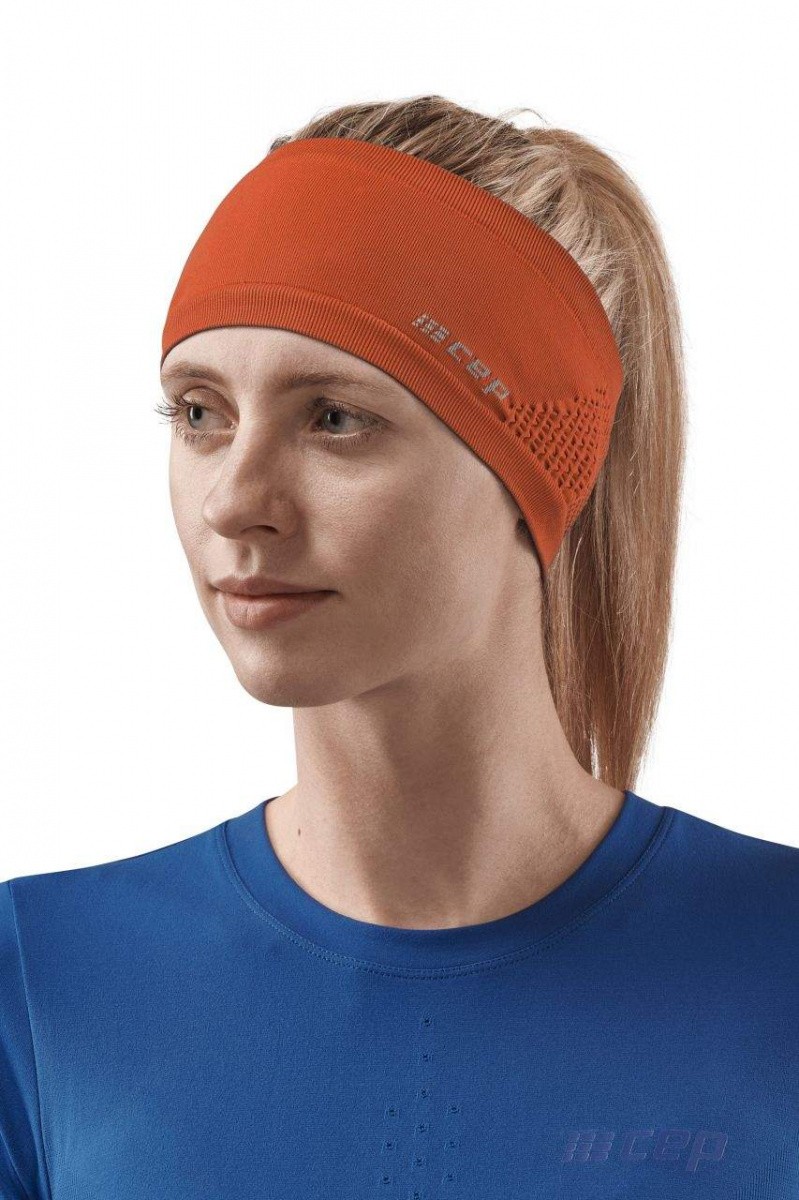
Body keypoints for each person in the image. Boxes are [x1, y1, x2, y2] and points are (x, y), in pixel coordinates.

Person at [1, 95, 797, 1199]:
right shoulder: (40, 985)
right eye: (199, 414)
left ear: (543, 472)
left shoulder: (774, 970)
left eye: (334, 417)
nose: (233, 499)